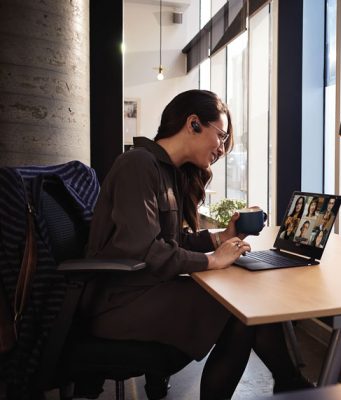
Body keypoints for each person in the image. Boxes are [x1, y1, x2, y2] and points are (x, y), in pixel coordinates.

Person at [81, 90, 311, 398]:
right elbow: (145, 250)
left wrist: (223, 237)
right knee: (239, 313)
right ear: (193, 124)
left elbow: (171, 241)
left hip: (145, 289)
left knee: (247, 306)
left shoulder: (166, 173)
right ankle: (292, 384)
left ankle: (291, 383)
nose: (221, 148)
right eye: (221, 135)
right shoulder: (137, 165)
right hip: (121, 303)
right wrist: (212, 261)